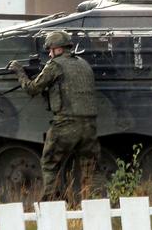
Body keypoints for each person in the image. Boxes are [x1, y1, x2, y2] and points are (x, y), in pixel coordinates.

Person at [9, 30, 99, 201]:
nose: (49, 54)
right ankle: (94, 202)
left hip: (66, 124)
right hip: (89, 126)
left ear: (58, 49)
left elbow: (32, 88)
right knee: (90, 167)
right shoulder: (83, 64)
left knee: (50, 164)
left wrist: (20, 72)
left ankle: (51, 203)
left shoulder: (55, 65)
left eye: (50, 50)